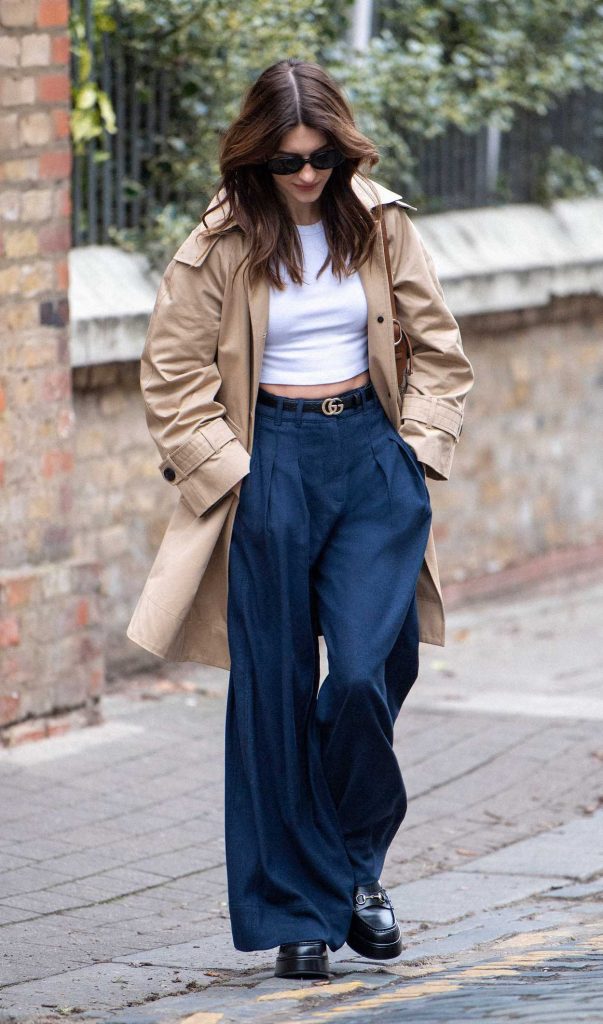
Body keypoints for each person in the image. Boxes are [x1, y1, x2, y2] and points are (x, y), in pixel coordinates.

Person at [127, 58, 474, 980]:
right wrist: (232, 475)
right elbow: (169, 375)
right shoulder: (219, 242)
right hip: (267, 465)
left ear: (343, 147)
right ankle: (302, 913)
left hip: (368, 458)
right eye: (288, 161)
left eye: (323, 156)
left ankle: (352, 867)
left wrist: (415, 450)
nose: (310, 176)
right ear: (257, 159)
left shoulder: (381, 223)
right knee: (273, 698)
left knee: (364, 673)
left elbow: (441, 352)